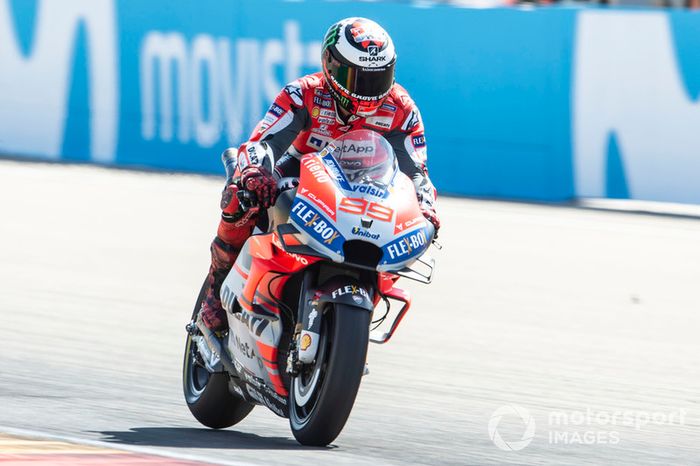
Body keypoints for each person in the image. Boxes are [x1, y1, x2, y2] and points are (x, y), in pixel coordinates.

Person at [199, 17, 440, 331]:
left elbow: (416, 172)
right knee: (241, 195)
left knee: (403, 233)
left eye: (378, 78)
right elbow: (264, 142)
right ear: (330, 64)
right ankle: (215, 293)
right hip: (299, 177)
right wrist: (256, 172)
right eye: (356, 78)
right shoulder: (303, 93)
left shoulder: (402, 110)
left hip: (366, 191)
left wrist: (426, 208)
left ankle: (355, 309)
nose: (367, 91)